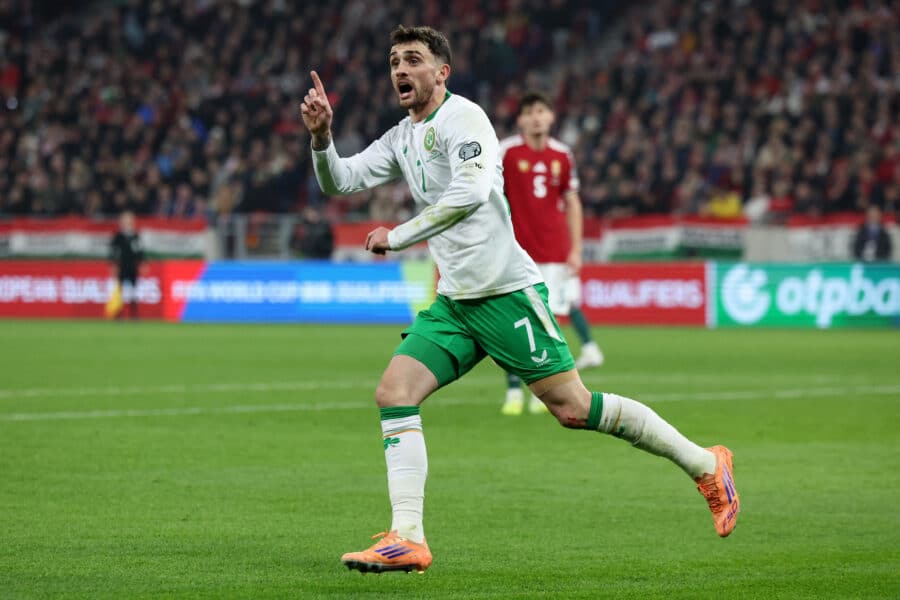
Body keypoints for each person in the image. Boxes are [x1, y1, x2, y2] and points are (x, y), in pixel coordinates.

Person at [300, 25, 740, 575]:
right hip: (457, 303)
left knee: (573, 409)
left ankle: (705, 464)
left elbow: (472, 191)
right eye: (393, 61)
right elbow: (339, 181)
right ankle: (407, 535)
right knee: (394, 392)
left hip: (506, 293)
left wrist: (400, 234)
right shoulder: (401, 138)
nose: (399, 70)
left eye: (412, 59)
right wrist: (321, 140)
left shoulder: (466, 119)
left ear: (442, 72)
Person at [498, 92, 604, 416]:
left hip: (555, 253)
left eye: (541, 111)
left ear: (551, 117)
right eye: (529, 112)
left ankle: (541, 393)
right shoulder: (506, 152)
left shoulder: (562, 155)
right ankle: (514, 392)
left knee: (547, 324)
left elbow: (572, 202)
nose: (536, 118)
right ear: (520, 120)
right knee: (514, 321)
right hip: (517, 251)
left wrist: (575, 248)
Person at [109, 210, 143, 319]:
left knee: (134, 290)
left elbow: (139, 251)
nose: (127, 222)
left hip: (132, 266)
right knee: (120, 291)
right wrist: (114, 265)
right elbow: (113, 252)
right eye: (125, 220)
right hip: (122, 266)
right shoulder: (118, 236)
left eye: (129, 220)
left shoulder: (135, 236)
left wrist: (142, 264)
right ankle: (119, 313)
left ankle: (134, 313)